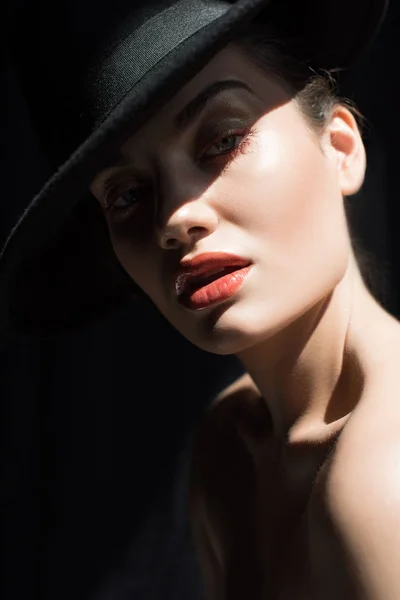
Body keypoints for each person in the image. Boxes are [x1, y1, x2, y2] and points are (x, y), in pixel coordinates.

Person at [2, 0, 397, 598]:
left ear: (340, 147)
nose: (176, 217)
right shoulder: (230, 448)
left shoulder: (381, 483)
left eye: (223, 139)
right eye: (129, 194)